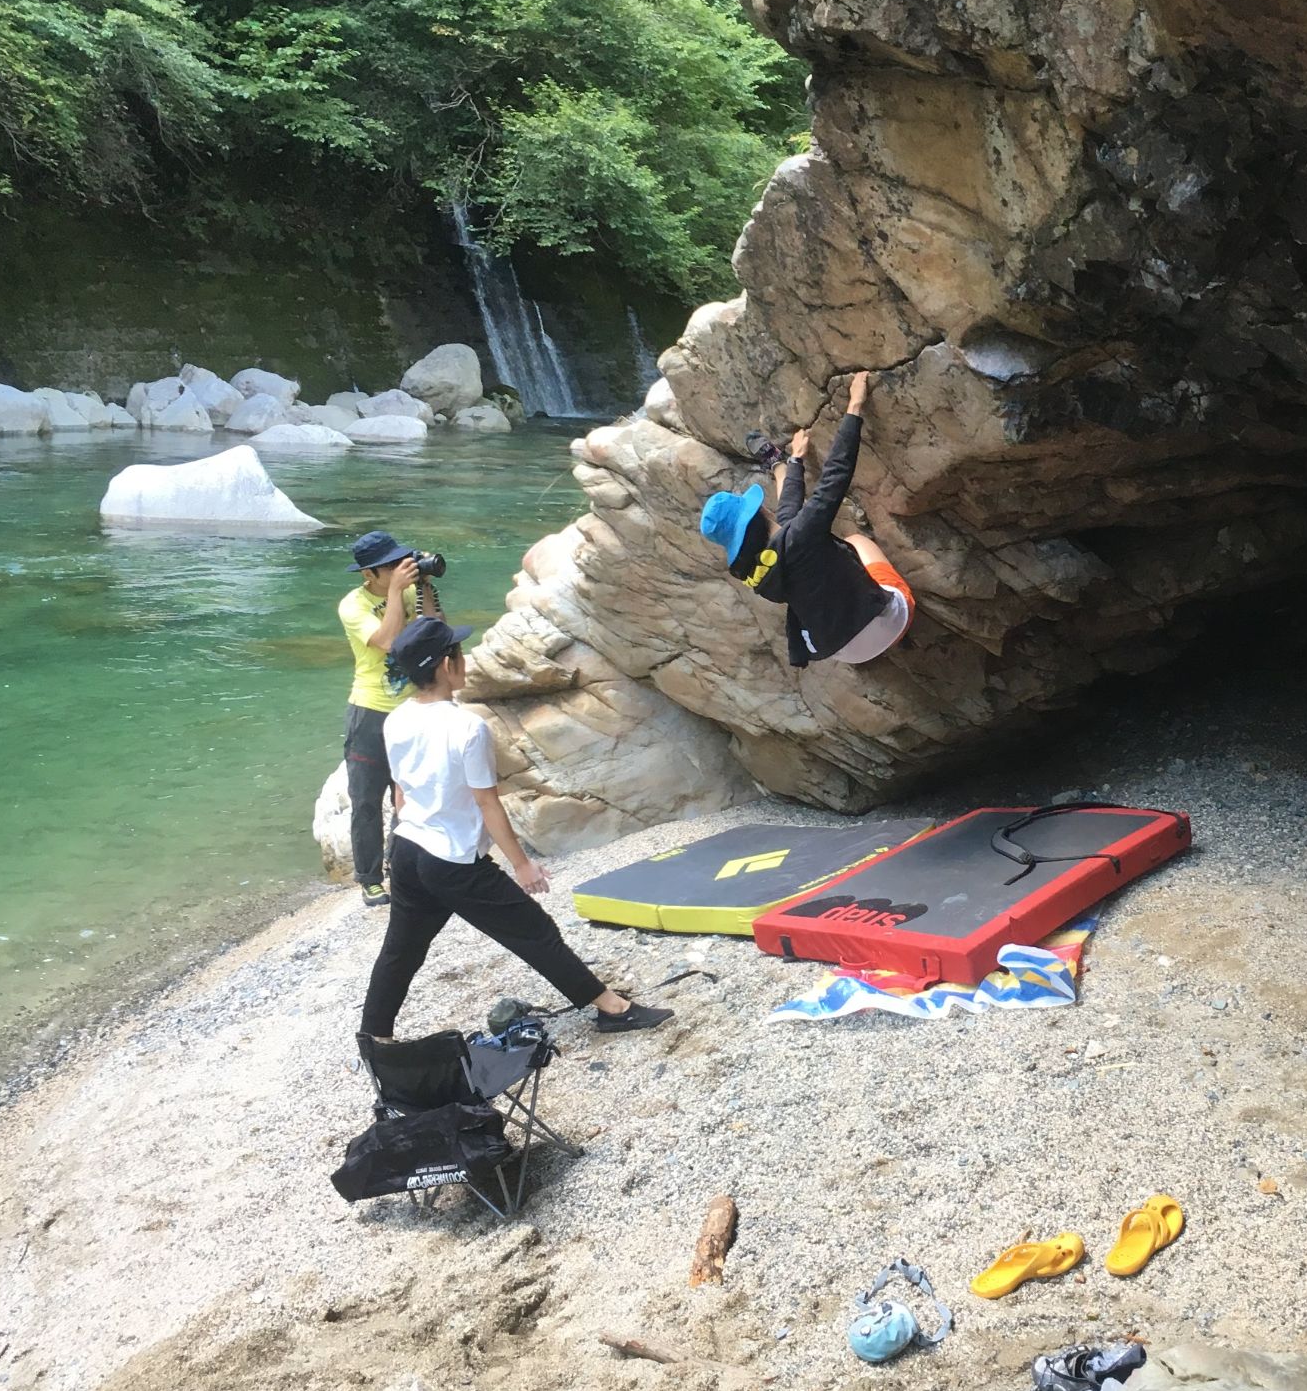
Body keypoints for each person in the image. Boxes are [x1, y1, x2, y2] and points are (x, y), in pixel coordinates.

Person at [362, 616, 671, 1039]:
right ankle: (613, 1009)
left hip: (408, 848)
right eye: (456, 652)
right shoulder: (466, 727)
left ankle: (374, 1037)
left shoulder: (396, 718)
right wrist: (522, 865)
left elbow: (400, 791)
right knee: (533, 930)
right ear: (443, 667)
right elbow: (486, 801)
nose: (463, 658)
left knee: (402, 949)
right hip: (451, 859)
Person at [698, 371, 914, 667]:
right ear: (760, 513)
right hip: (890, 624)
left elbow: (788, 518)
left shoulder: (761, 573)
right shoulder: (800, 536)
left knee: (794, 513)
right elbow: (836, 474)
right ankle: (898, 620)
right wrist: (855, 407)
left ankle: (777, 463)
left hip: (846, 653)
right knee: (856, 540)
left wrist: (795, 462)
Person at [337, 530, 422, 906]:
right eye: (392, 565)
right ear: (369, 573)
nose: (400, 569)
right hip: (370, 712)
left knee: (411, 794)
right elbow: (389, 641)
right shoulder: (353, 605)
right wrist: (395, 595)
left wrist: (426, 589)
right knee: (367, 801)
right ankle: (370, 878)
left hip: (411, 708)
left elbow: (433, 630)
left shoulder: (406, 592)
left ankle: (399, 864)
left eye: (402, 560)